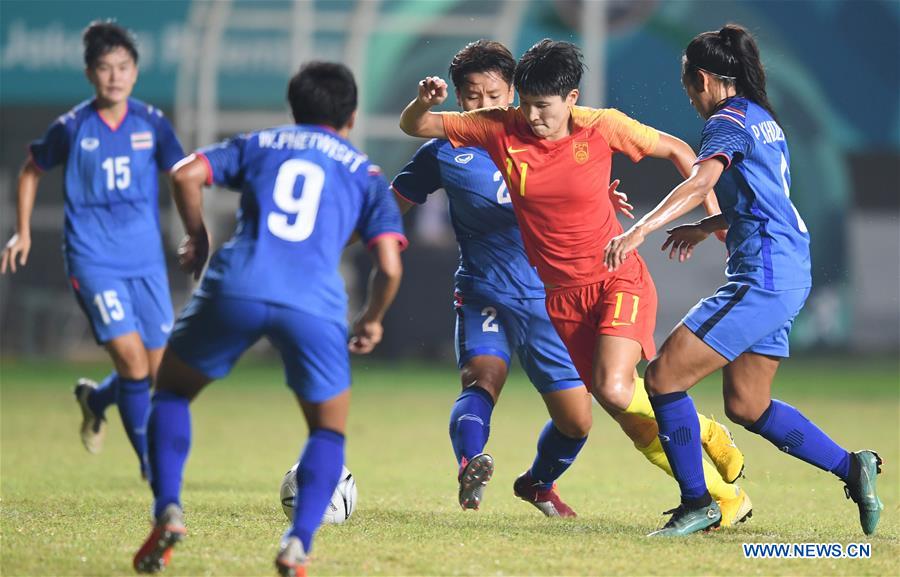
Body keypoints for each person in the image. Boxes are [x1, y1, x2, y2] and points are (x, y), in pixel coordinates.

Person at [398, 39, 752, 525]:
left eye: (540, 105)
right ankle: (714, 475)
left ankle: (710, 472)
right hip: (550, 297)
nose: (531, 116)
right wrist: (424, 103)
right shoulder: (495, 129)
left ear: (569, 99)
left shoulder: (600, 124)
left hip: (613, 278)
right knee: (615, 406)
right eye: (524, 104)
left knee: (611, 393)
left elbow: (679, 151)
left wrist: (713, 220)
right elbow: (415, 129)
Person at [603, 24, 883, 536]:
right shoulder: (762, 119)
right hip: (788, 271)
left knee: (662, 378)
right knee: (748, 404)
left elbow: (701, 181)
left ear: (703, 79)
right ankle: (853, 466)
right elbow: (763, 200)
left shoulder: (726, 121)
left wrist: (641, 228)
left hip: (764, 276)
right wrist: (707, 226)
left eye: (688, 86)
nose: (690, 97)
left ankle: (698, 502)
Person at [131, 62, 407, 576]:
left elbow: (185, 173)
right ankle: (298, 542)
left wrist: (198, 236)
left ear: (294, 108)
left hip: (238, 284)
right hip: (313, 304)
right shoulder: (366, 174)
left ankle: (168, 508)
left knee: (171, 393)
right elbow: (389, 266)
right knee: (327, 431)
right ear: (351, 117)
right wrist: (372, 318)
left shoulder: (262, 143)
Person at [1, 21, 185, 477]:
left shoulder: (152, 123)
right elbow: (30, 171)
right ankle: (151, 466)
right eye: (105, 68)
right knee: (130, 359)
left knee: (156, 371)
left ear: (135, 72)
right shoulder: (72, 126)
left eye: (123, 67)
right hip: (93, 259)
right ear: (90, 74)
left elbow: (181, 174)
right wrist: (22, 231)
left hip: (145, 260)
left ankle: (96, 400)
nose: (115, 76)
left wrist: (195, 230)